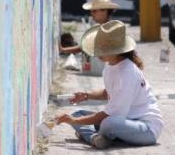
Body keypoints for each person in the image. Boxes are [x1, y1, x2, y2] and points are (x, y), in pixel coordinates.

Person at [56, 20, 163, 150]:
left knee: (108, 123)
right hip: (124, 119)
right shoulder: (111, 65)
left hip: (145, 128)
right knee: (79, 113)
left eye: (103, 48)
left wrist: (73, 121)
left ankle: (95, 136)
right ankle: (96, 138)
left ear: (117, 50)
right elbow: (108, 92)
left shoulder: (127, 72)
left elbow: (109, 116)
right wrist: (85, 95)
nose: (98, 51)